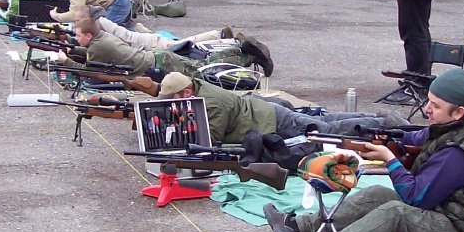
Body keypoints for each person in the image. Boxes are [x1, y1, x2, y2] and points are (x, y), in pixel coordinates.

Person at [260, 67, 464, 232]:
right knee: (379, 194)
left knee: (395, 213)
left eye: (436, 106)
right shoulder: (452, 128)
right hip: (448, 220)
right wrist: (379, 139)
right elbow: (412, 138)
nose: (427, 109)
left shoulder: (461, 152)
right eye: (428, 101)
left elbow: (415, 198)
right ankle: (295, 227)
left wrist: (390, 159)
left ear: (459, 112)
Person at [157, 71, 407, 147]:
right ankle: (376, 117)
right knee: (326, 120)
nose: (170, 103)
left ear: (186, 93)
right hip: (266, 113)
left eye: (172, 99)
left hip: (271, 120)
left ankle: (383, 124)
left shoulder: (210, 102)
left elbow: (211, 139)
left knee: (326, 130)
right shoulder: (196, 89)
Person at [90, 14, 273, 76]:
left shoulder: (102, 40)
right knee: (201, 58)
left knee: (204, 68)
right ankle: (237, 47)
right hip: (156, 54)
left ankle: (243, 52)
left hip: (157, 54)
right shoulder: (103, 37)